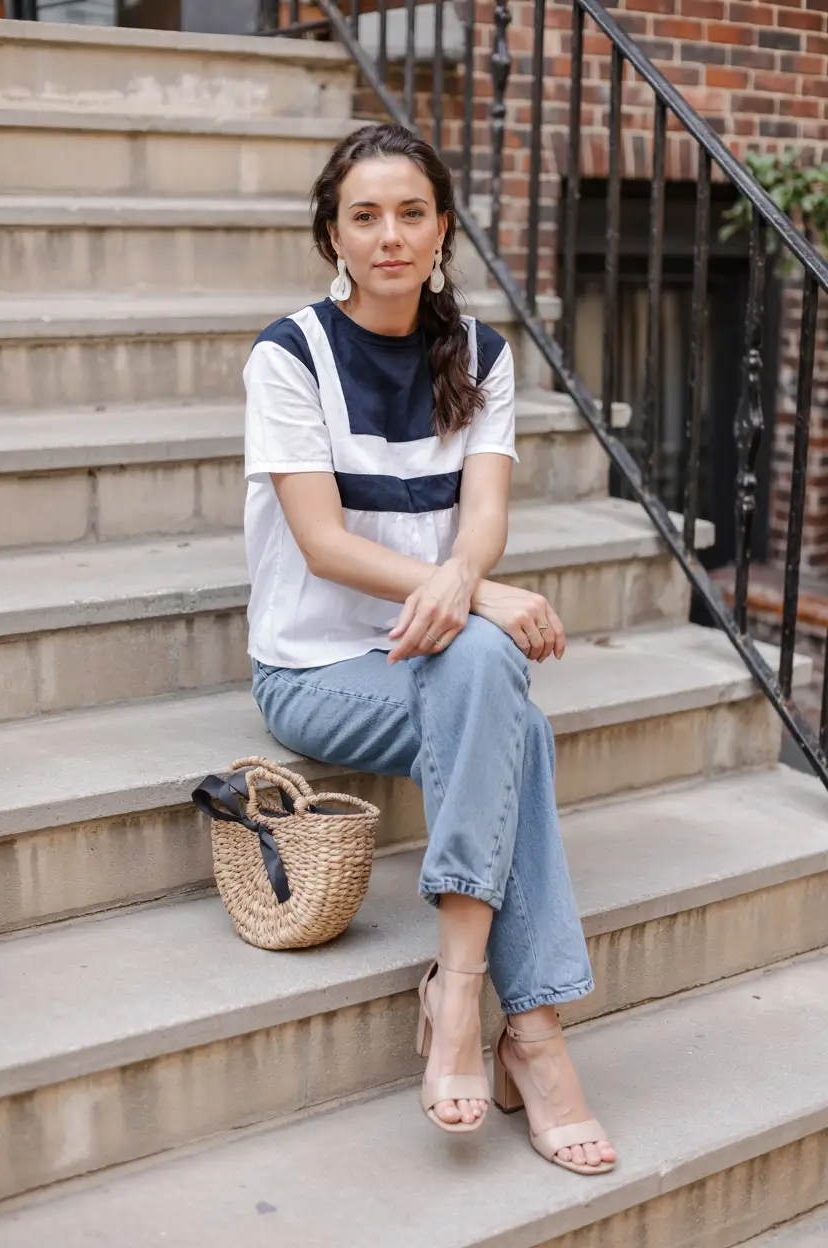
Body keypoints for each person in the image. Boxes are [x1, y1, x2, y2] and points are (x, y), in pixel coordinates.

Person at [244, 122, 616, 1176]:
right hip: (318, 671)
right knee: (512, 715)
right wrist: (473, 592)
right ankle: (523, 1034)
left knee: (484, 669)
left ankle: (469, 1002)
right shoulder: (288, 356)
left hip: (443, 651)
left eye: (411, 212)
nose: (390, 235)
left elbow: (483, 517)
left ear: (442, 227)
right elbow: (322, 543)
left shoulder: (480, 356)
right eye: (365, 215)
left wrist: (465, 580)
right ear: (333, 233)